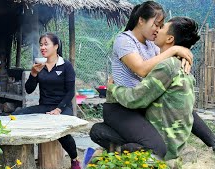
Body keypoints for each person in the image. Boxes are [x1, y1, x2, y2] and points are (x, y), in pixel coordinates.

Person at [90, 1, 215, 158]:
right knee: (158, 150)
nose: (158, 29)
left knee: (183, 104)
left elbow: (163, 58)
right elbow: (142, 69)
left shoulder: (152, 45)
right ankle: (116, 147)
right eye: (156, 24)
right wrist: (175, 49)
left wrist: (181, 54)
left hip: (141, 102)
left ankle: (213, 142)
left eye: (161, 25)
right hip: (121, 106)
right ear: (141, 20)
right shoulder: (124, 40)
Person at [12, 33, 82, 169]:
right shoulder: (39, 65)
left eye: (46, 44)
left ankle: (74, 160)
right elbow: (29, 90)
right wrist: (33, 74)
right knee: (16, 115)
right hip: (44, 106)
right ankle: (21, 159)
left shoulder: (66, 66)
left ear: (56, 46)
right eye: (41, 44)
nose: (42, 47)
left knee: (61, 129)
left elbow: (70, 93)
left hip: (62, 107)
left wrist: (59, 109)